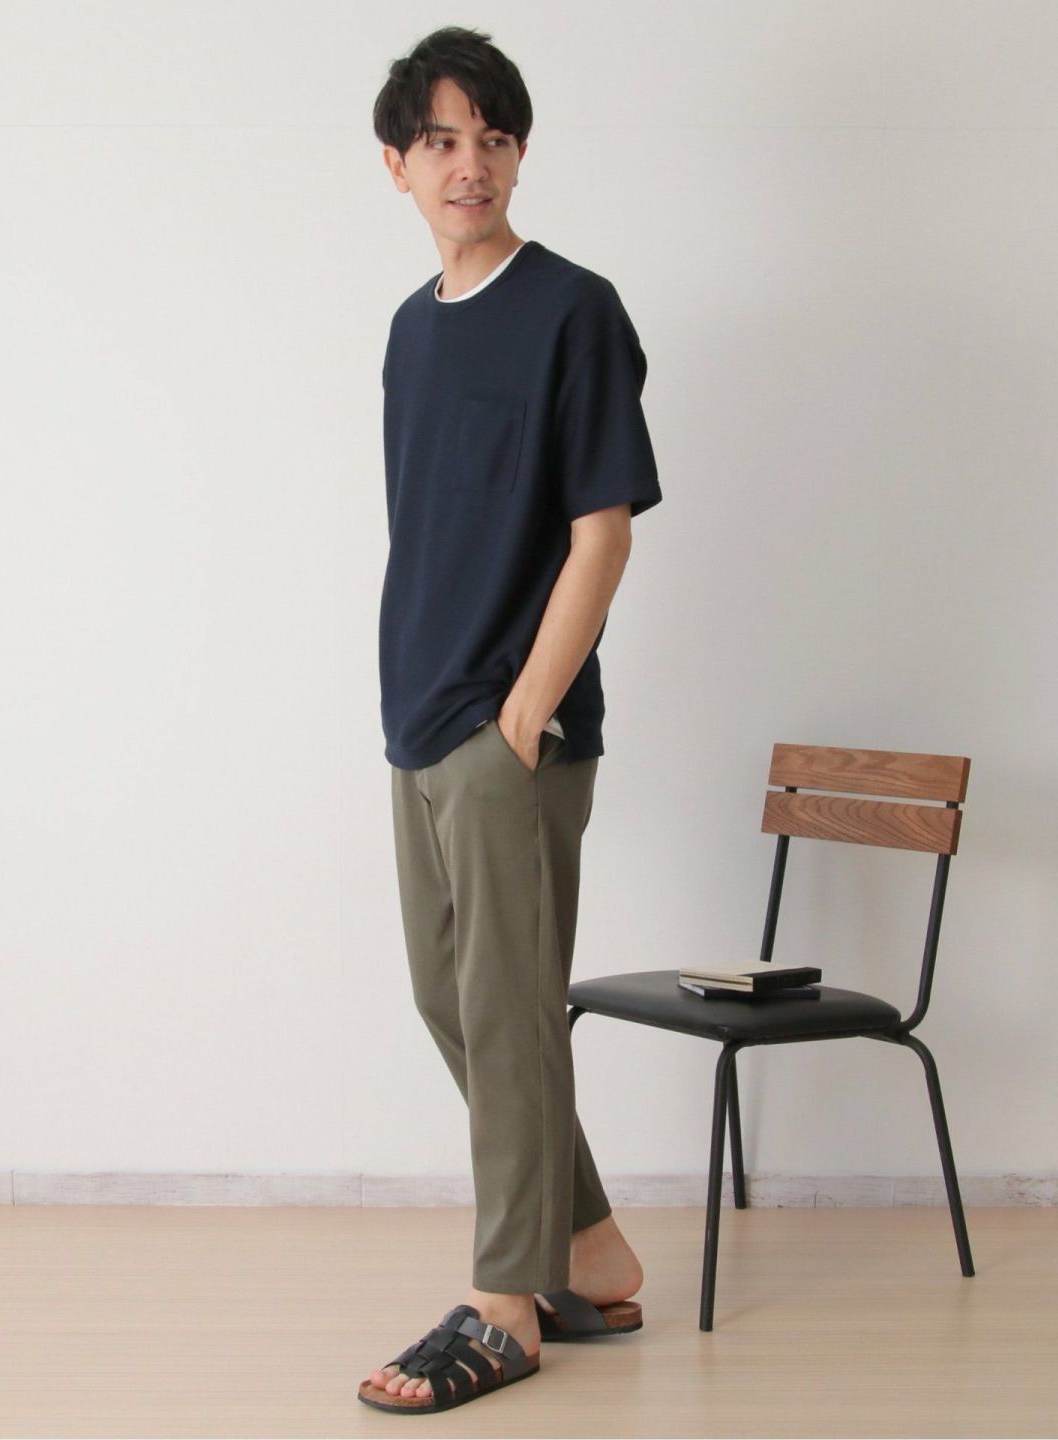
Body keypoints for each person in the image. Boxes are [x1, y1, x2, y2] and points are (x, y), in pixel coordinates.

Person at [359, 25, 662, 1415]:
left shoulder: (574, 310)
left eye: (491, 137)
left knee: (507, 1002)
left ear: (521, 153)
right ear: (397, 165)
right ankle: (589, 1250)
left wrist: (526, 715)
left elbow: (603, 533)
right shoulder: (411, 330)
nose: (467, 163)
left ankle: (506, 1305)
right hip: (418, 715)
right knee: (455, 999)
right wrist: (420, 702)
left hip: (508, 731)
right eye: (440, 140)